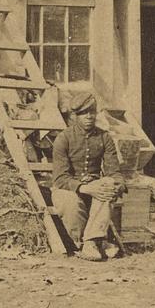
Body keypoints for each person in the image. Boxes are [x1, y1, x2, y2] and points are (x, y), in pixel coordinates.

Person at [51, 92, 125, 261]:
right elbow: (60, 178)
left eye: (92, 112)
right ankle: (87, 243)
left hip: (94, 187)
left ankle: (91, 242)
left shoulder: (104, 137)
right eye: (84, 113)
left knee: (107, 185)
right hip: (67, 187)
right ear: (75, 116)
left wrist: (116, 185)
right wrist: (85, 188)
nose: (89, 116)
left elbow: (114, 172)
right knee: (70, 202)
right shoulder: (64, 138)